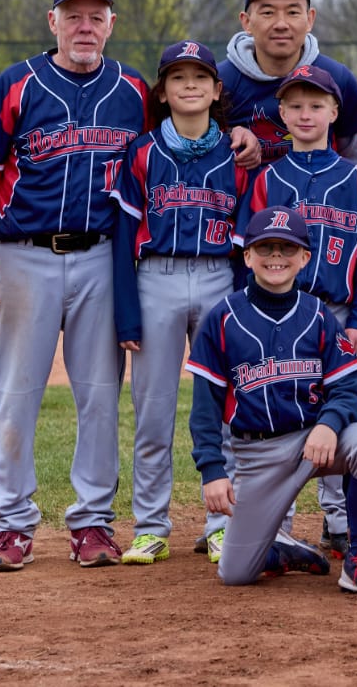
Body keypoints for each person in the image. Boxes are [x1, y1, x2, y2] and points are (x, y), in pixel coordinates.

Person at [0, 0, 147, 572]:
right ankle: (11, 523)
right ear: (53, 22)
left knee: (100, 396)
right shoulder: (18, 83)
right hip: (24, 256)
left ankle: (92, 522)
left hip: (102, 258)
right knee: (16, 395)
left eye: (95, 16)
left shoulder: (135, 90)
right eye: (73, 15)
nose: (84, 26)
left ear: (111, 23)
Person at [186, 206, 357, 599]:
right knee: (235, 574)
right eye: (265, 248)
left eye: (287, 248)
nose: (276, 257)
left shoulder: (318, 315)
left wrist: (328, 424)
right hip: (257, 454)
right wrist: (212, 470)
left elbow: (349, 386)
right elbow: (204, 408)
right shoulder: (223, 318)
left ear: (304, 258)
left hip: (313, 442)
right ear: (247, 256)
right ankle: (282, 549)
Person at [106, 40, 250, 568]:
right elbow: (123, 238)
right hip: (156, 278)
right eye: (177, 77)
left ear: (216, 90)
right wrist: (126, 313)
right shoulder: (142, 152)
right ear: (163, 93)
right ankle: (150, 527)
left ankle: (222, 526)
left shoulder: (237, 155)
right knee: (153, 411)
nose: (190, 85)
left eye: (200, 77)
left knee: (225, 407)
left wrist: (245, 308)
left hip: (218, 278)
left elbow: (245, 244)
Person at [237, 63, 357, 557]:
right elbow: (246, 251)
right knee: (279, 409)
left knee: (336, 410)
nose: (305, 114)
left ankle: (337, 520)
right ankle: (276, 522)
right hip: (278, 312)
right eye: (295, 105)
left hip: (335, 310)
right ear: (280, 113)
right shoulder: (267, 178)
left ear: (334, 112)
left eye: (316, 105)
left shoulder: (354, 178)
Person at [220, 0, 357, 167]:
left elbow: (354, 163)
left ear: (310, 19)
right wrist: (231, 134)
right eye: (268, 12)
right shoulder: (219, 83)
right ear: (246, 22)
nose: (281, 24)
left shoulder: (338, 79)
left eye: (292, 12)